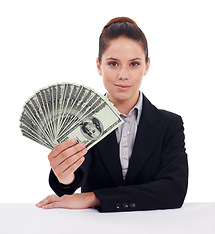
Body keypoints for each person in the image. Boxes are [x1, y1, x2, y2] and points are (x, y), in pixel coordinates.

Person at [36, 17, 188, 212]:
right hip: (94, 230)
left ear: (146, 66)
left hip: (154, 229)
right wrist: (66, 177)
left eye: (134, 64)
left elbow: (173, 191)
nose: (123, 75)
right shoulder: (83, 122)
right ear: (99, 65)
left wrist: (94, 198)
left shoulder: (169, 125)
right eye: (113, 64)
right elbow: (74, 178)